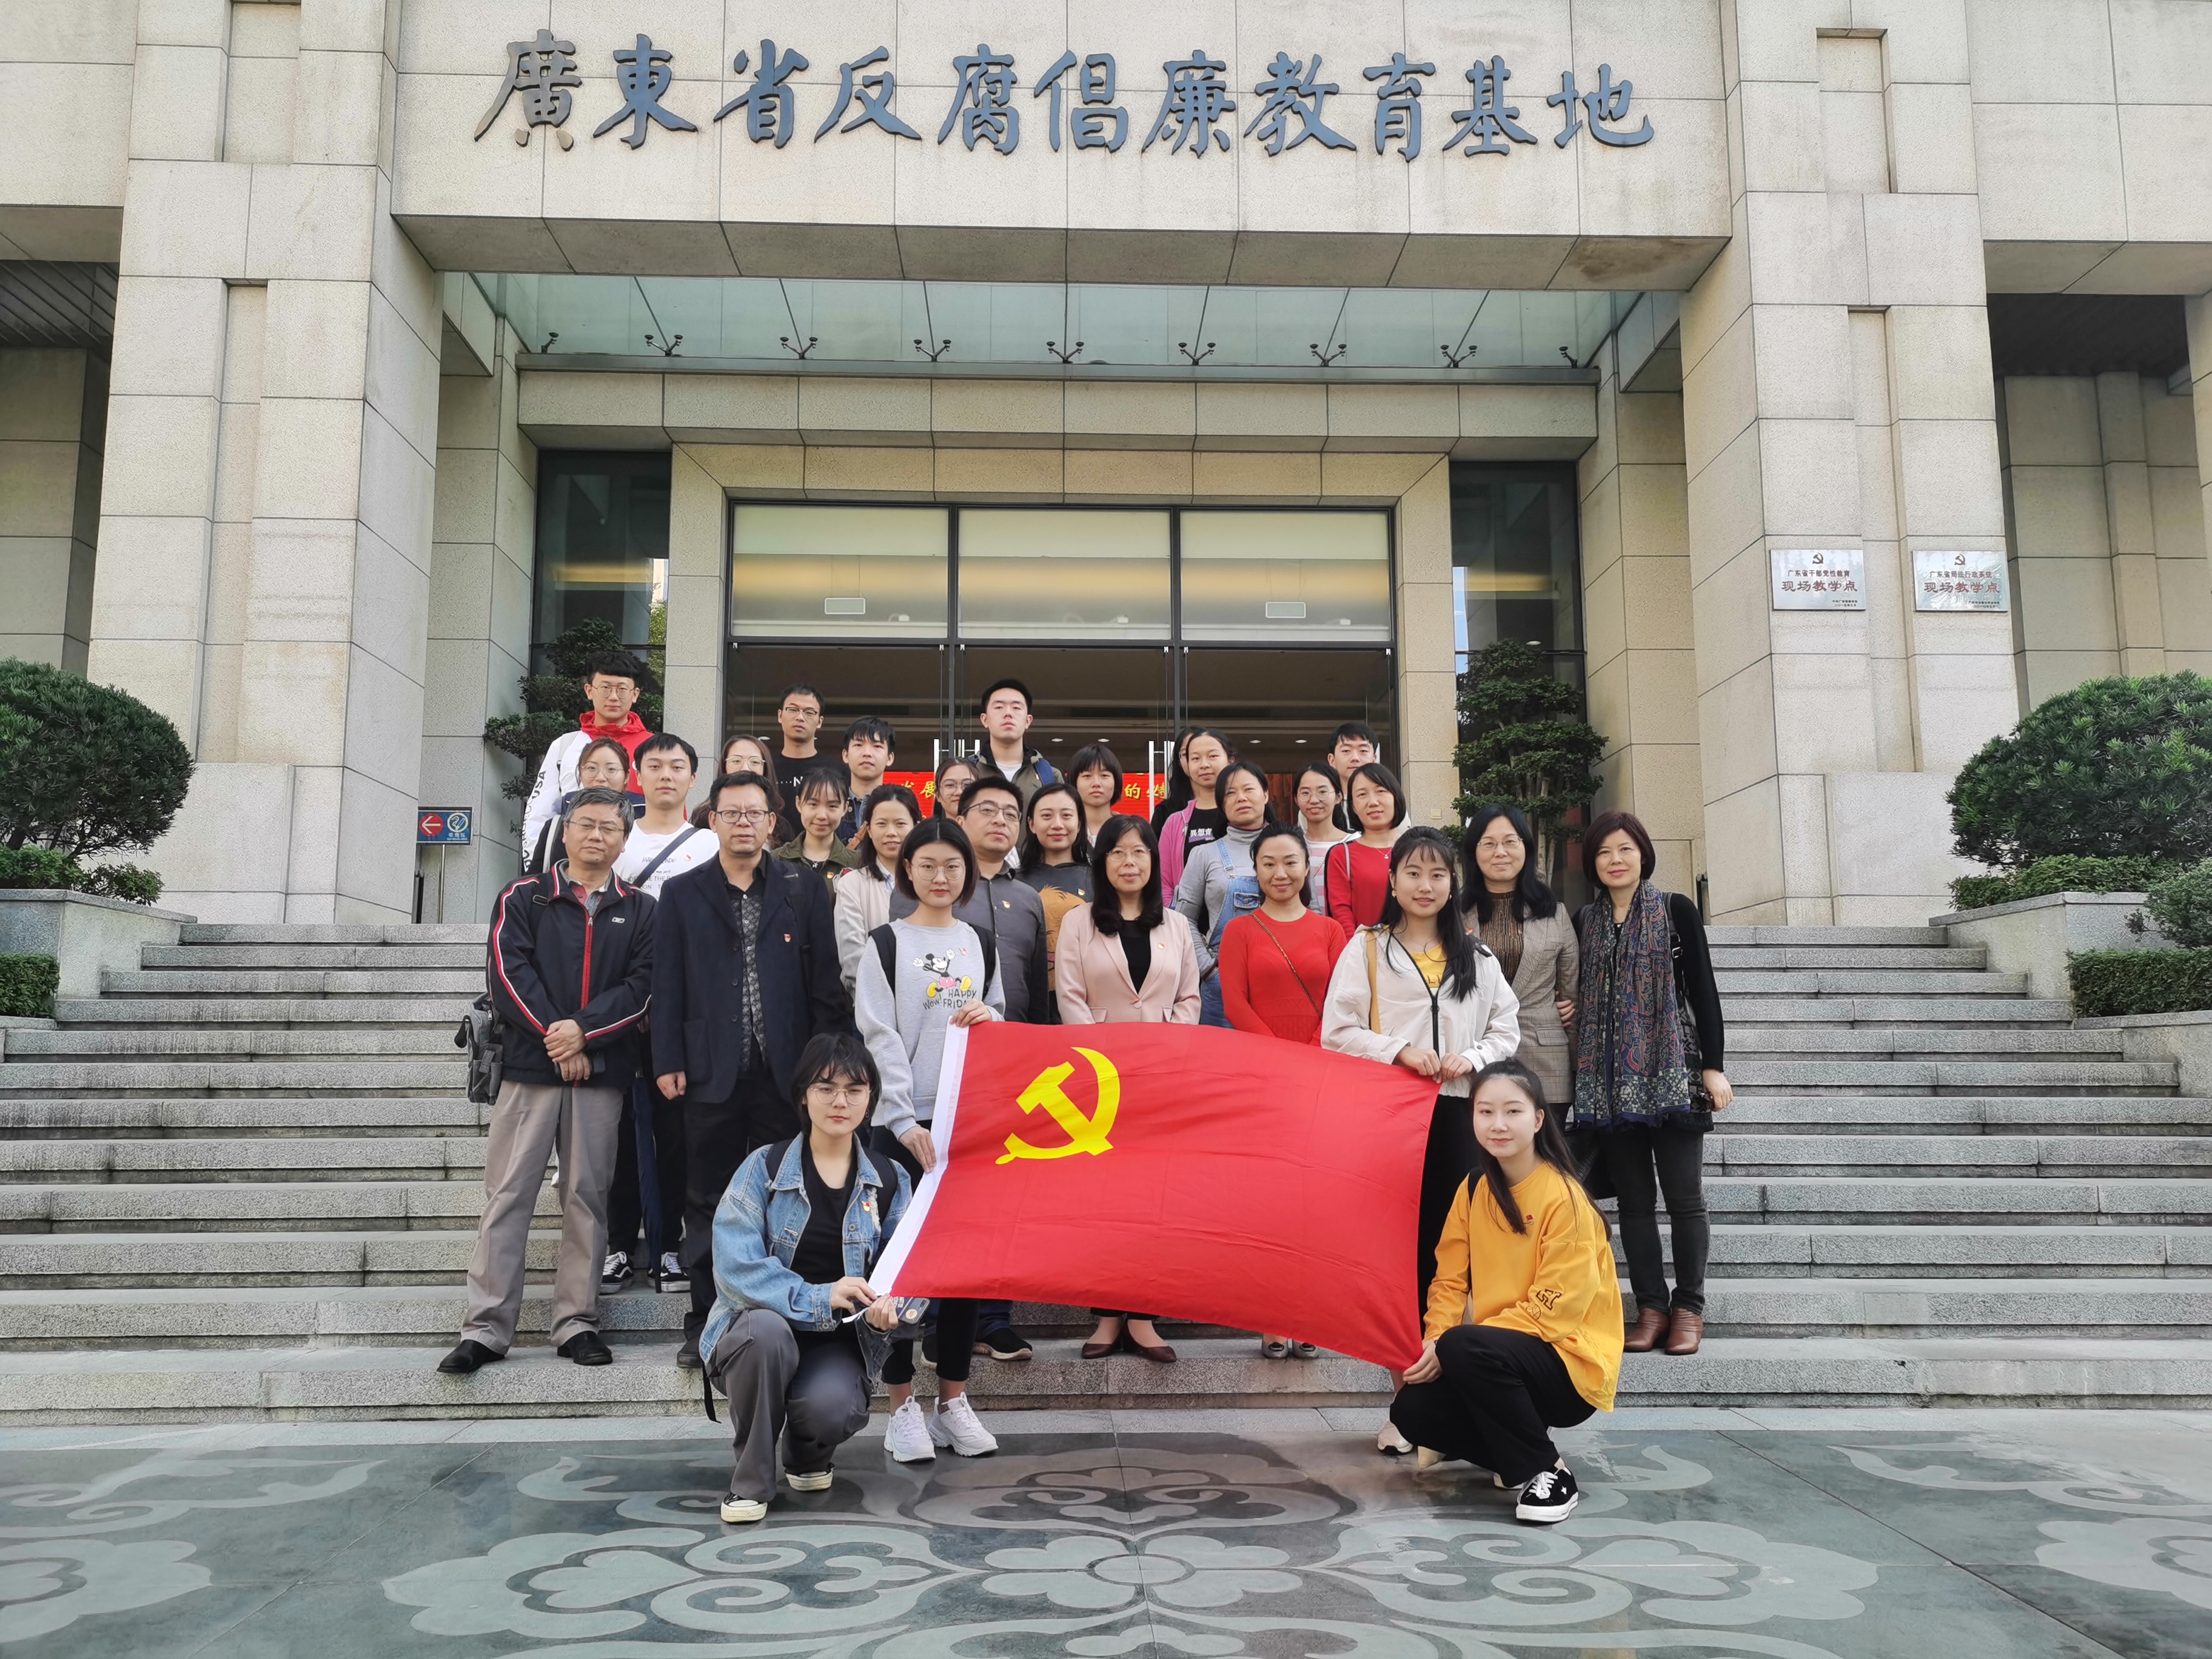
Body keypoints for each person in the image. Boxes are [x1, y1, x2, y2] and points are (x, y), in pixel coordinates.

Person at [440, 787, 655, 1376]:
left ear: (624, 840)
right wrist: (557, 1038)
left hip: (600, 1072)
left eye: (609, 827)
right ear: (565, 831)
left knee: (586, 1197)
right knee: (509, 1194)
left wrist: (584, 1033)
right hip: (529, 1070)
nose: (596, 835)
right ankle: (485, 1328)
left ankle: (577, 1322)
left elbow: (641, 988)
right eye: (585, 824)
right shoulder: (524, 896)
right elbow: (508, 974)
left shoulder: (642, 910)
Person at [1322, 826, 1520, 1453]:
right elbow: (1336, 1031)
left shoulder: (1477, 957)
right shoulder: (1367, 948)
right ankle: (1407, 1407)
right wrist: (1399, 1051)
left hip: (1460, 1118)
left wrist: (1473, 1057)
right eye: (1413, 873)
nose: (1425, 886)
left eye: (1437, 875)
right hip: (1389, 1120)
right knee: (1397, 1262)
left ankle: (1461, 1398)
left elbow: (1507, 1028)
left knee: (1457, 1257)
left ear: (1452, 883)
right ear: (1393, 881)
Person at [652, 771, 848, 1371]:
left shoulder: (801, 887)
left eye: (754, 814)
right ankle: (705, 1321)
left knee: (784, 1196)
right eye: (732, 813)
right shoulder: (682, 893)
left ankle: (782, 1314)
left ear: (771, 823)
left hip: (786, 1072)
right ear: (712, 820)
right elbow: (668, 981)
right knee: (707, 1199)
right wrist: (668, 1059)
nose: (743, 823)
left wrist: (826, 1064)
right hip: (708, 1068)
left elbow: (825, 980)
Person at [1389, 1060, 1622, 1526]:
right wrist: (1435, 1339)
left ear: (1538, 1120)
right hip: (1497, 1357)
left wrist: (1455, 1344)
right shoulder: (1474, 1188)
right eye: (1486, 1112)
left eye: (1513, 1111)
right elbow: (1448, 1280)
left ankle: (1550, 1472)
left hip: (1568, 1364)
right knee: (1411, 1411)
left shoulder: (1565, 1199)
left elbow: (1554, 1313)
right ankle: (1518, 1455)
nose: (1498, 1124)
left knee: (1463, 1344)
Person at [699, 1031, 910, 1524]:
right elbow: (734, 1268)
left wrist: (892, 1310)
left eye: (854, 1090)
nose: (840, 1102)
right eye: (825, 1088)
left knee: (832, 1407)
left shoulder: (890, 1178)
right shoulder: (764, 1168)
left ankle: (806, 1452)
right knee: (766, 1332)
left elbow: (906, 1269)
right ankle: (751, 1481)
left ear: (871, 1100)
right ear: (803, 1096)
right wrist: (819, 1296)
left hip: (837, 1341)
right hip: (759, 1336)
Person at [855, 817, 1005, 1463]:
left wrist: (990, 1016)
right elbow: (878, 1035)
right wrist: (902, 1121)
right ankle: (901, 1408)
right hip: (902, 1127)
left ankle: (953, 1403)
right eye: (928, 865)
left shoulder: (980, 943)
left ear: (967, 873)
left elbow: (1000, 1022)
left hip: (967, 1125)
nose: (940, 877)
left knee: (963, 1267)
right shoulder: (886, 943)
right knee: (897, 1267)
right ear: (906, 870)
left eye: (953, 866)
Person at [1572, 809, 1731, 1358]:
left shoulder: (1674, 909)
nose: (1615, 860)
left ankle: (1688, 1308)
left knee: (1684, 1198)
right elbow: (1578, 986)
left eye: (1625, 849)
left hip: (1673, 1074)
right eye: (1603, 852)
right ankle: (1651, 1309)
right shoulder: (1585, 921)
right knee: (1635, 1204)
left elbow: (1703, 989)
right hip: (1609, 1082)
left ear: (1643, 854)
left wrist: (1713, 1065)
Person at [1054, 814, 1201, 1366]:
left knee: (1154, 1200)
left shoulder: (1177, 925)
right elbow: (1069, 997)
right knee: (1103, 1200)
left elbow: (1189, 1000)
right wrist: (1105, 1064)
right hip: (1099, 1082)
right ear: (1102, 862)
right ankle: (1107, 1314)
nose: (1130, 862)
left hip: (1162, 1081)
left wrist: (1163, 1056)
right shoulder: (1079, 922)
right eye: (1118, 852)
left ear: (1154, 861)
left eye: (1140, 852)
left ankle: (1143, 1316)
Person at [1215, 822, 1348, 1361]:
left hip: (1322, 1078)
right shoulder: (1240, 930)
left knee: (1316, 1203)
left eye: (1290, 862)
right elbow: (1234, 1003)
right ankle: (1270, 1319)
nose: (1280, 873)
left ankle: (1312, 1315)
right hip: (1262, 1081)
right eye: (1268, 863)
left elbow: (1343, 1002)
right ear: (1255, 870)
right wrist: (1279, 1060)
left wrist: (1310, 1054)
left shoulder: (1331, 931)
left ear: (1306, 867)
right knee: (1267, 1204)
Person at [604, 732, 714, 1295]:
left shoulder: (710, 844)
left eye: (677, 767)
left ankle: (671, 1244)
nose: (666, 775)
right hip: (618, 1010)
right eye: (655, 765)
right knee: (619, 1133)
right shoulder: (618, 840)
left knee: (675, 1134)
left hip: (683, 1014)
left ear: (693, 777)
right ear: (637, 775)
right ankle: (619, 1244)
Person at [1463, 804, 1580, 1110]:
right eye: (1489, 843)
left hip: (1546, 1060)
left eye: (1510, 842)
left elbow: (1571, 992)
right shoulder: (1456, 917)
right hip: (1476, 1055)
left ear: (1525, 847)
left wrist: (1577, 1061)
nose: (1500, 852)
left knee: (1546, 1142)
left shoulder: (1556, 914)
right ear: (1474, 852)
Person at [520, 650, 654, 866]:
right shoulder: (565, 746)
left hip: (637, 865)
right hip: (570, 866)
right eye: (605, 688)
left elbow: (671, 814)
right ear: (589, 691)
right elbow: (539, 813)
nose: (613, 697)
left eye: (622, 689)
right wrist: (537, 870)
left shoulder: (654, 749)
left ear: (635, 694)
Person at [1173, 759, 1272, 1028]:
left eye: (1249, 789)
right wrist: (1208, 969)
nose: (1241, 798)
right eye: (1230, 793)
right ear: (1221, 804)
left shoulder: (1289, 848)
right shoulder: (1204, 854)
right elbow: (1182, 920)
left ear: (1265, 794)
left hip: (1277, 977)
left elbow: (1309, 911)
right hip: (1220, 984)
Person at [833, 785, 920, 994]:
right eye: (882, 824)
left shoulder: (931, 883)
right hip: (871, 1003)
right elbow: (853, 959)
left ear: (916, 827)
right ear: (869, 830)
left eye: (900, 824)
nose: (891, 833)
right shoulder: (851, 885)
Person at [1021, 781, 1092, 1012]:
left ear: (1079, 823)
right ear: (1032, 824)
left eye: (1067, 815)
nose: (1058, 824)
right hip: (1027, 1005)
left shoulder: (1100, 880)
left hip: (1087, 1005)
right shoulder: (1014, 882)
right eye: (1047, 816)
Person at [523, 736, 631, 876]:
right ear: (580, 774)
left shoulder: (643, 827)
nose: (600, 777)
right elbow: (536, 879)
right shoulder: (556, 828)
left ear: (627, 776)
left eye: (611, 769)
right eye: (591, 768)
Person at [1326, 762, 1408, 936]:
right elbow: (1341, 914)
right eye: (1362, 795)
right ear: (1353, 807)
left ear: (1396, 796)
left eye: (1381, 791)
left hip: (1418, 948)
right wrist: (1357, 949)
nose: (1373, 802)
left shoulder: (1417, 849)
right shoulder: (1342, 855)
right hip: (1365, 948)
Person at [1157, 727, 1233, 892]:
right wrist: (1175, 908)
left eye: (1213, 756)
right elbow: (1164, 881)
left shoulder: (1245, 810)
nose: (1204, 765)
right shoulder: (1174, 821)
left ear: (1230, 760)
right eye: (1195, 758)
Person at [773, 768, 862, 886]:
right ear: (799, 803)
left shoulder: (858, 865)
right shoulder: (776, 860)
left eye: (832, 806)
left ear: (845, 808)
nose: (822, 816)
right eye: (813, 804)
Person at [976, 678, 1057, 803]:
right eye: (999, 707)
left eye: (1016, 708)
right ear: (985, 720)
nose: (1008, 713)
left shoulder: (1051, 776)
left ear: (1028, 721)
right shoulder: (967, 773)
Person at [1293, 761, 1351, 911]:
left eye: (1323, 792)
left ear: (1338, 796)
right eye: (1305, 793)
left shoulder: (1354, 844)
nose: (1314, 800)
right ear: (1296, 799)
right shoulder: (1291, 847)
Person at [835, 717, 897, 842]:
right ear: (846, 755)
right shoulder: (832, 805)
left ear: (889, 758)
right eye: (859, 745)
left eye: (877, 746)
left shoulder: (900, 807)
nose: (867, 753)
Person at [769, 682, 824, 809]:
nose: (800, 717)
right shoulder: (766, 768)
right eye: (793, 710)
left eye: (809, 712)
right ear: (780, 715)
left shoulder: (836, 772)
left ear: (820, 721)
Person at [1325, 720, 1380, 833]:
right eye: (1346, 751)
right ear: (1332, 760)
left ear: (1374, 759)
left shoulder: (1387, 801)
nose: (1355, 758)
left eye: (1363, 751)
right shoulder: (1320, 803)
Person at [1068, 742, 1125, 842]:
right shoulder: (1065, 830)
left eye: (1104, 775)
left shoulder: (1128, 830)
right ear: (1074, 783)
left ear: (1116, 782)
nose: (1096, 783)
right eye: (1087, 776)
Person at [1148, 727, 1196, 833]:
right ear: (1179, 762)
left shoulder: (1229, 806)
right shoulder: (1165, 812)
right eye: (1186, 754)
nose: (1195, 760)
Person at [932, 753, 981, 822]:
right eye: (950, 785)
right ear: (938, 795)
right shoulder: (929, 829)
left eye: (967, 785)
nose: (959, 792)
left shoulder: (993, 827)